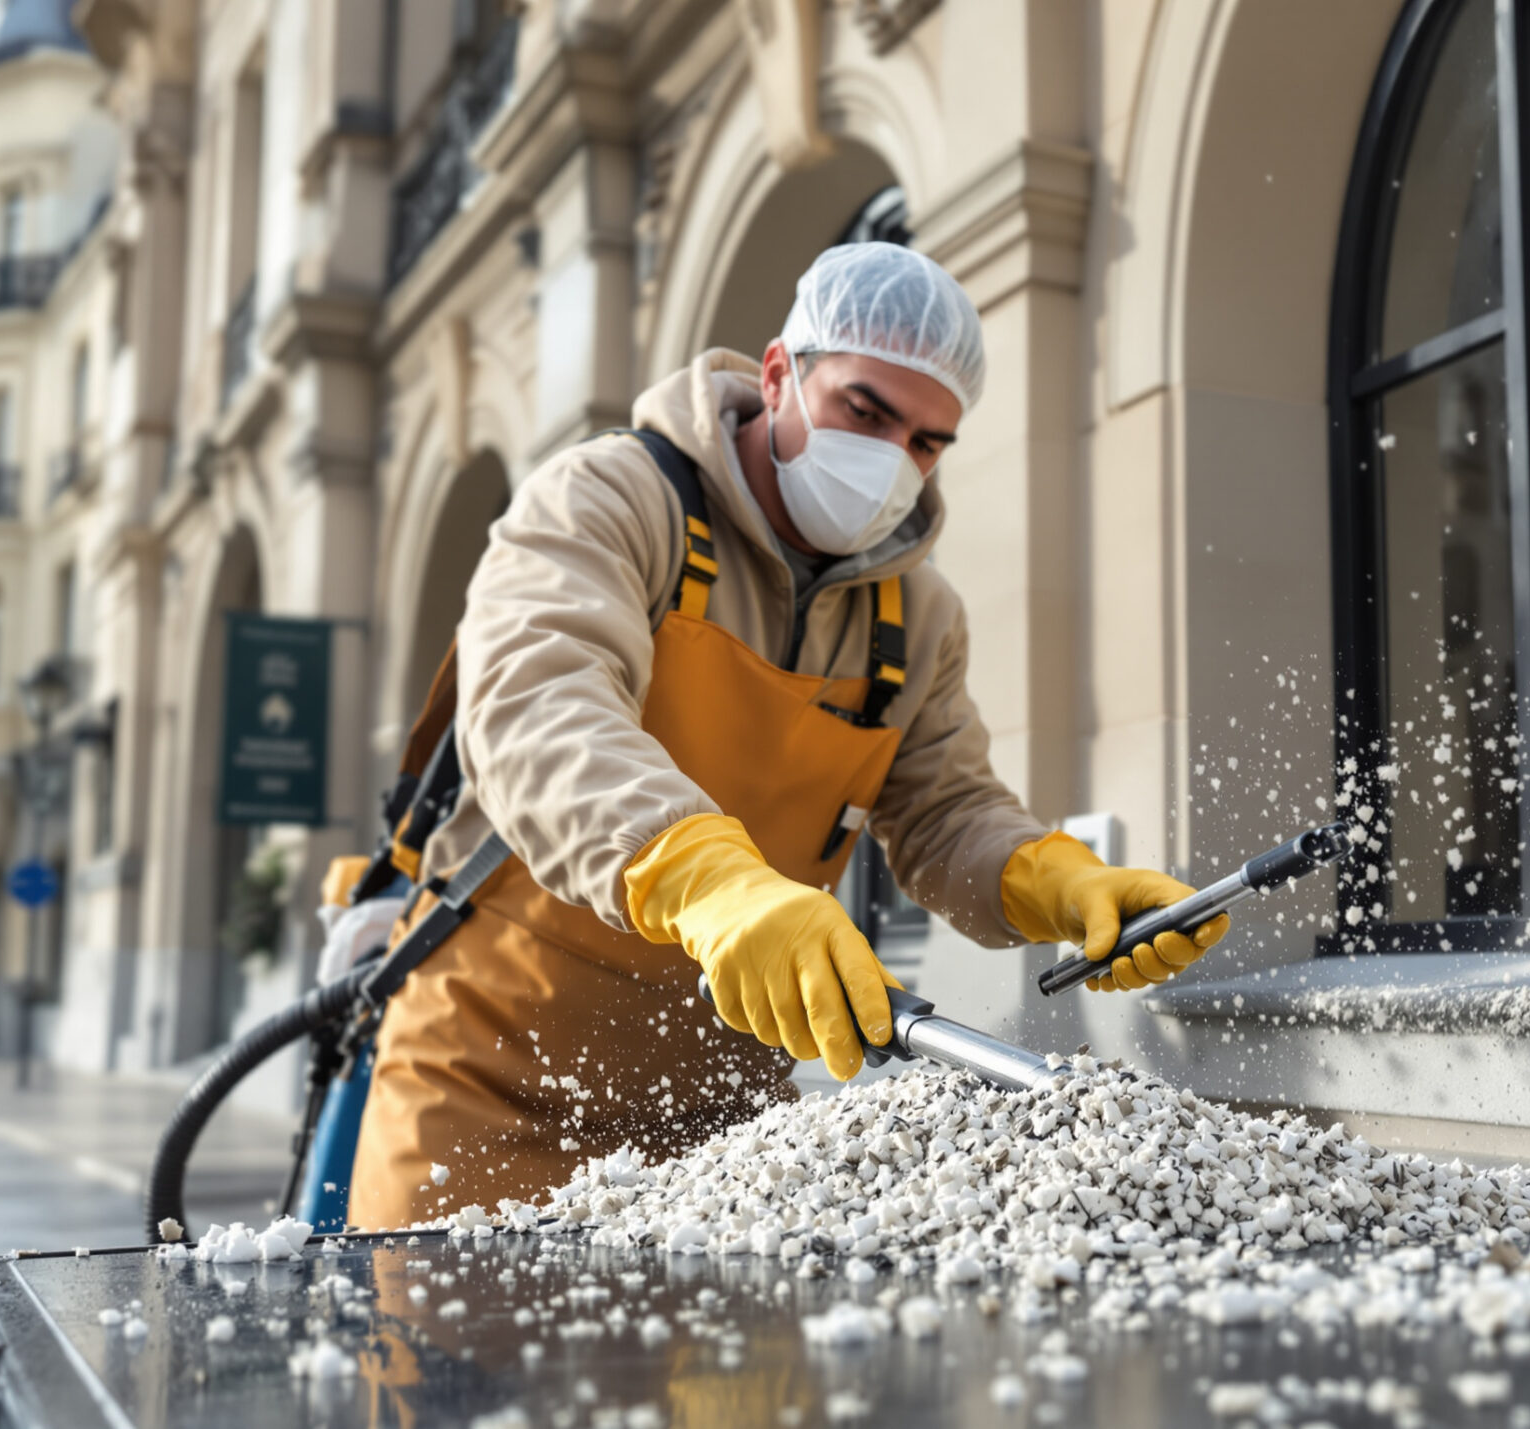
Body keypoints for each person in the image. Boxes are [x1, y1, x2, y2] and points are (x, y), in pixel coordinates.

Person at [348, 243, 1229, 1228]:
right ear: (778, 373)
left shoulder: (917, 616)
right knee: (446, 1364)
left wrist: (1051, 877)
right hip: (491, 1074)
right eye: (866, 410)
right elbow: (536, 704)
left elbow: (943, 809)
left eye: (928, 440)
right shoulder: (612, 500)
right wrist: (705, 877)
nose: (894, 458)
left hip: (723, 1104)